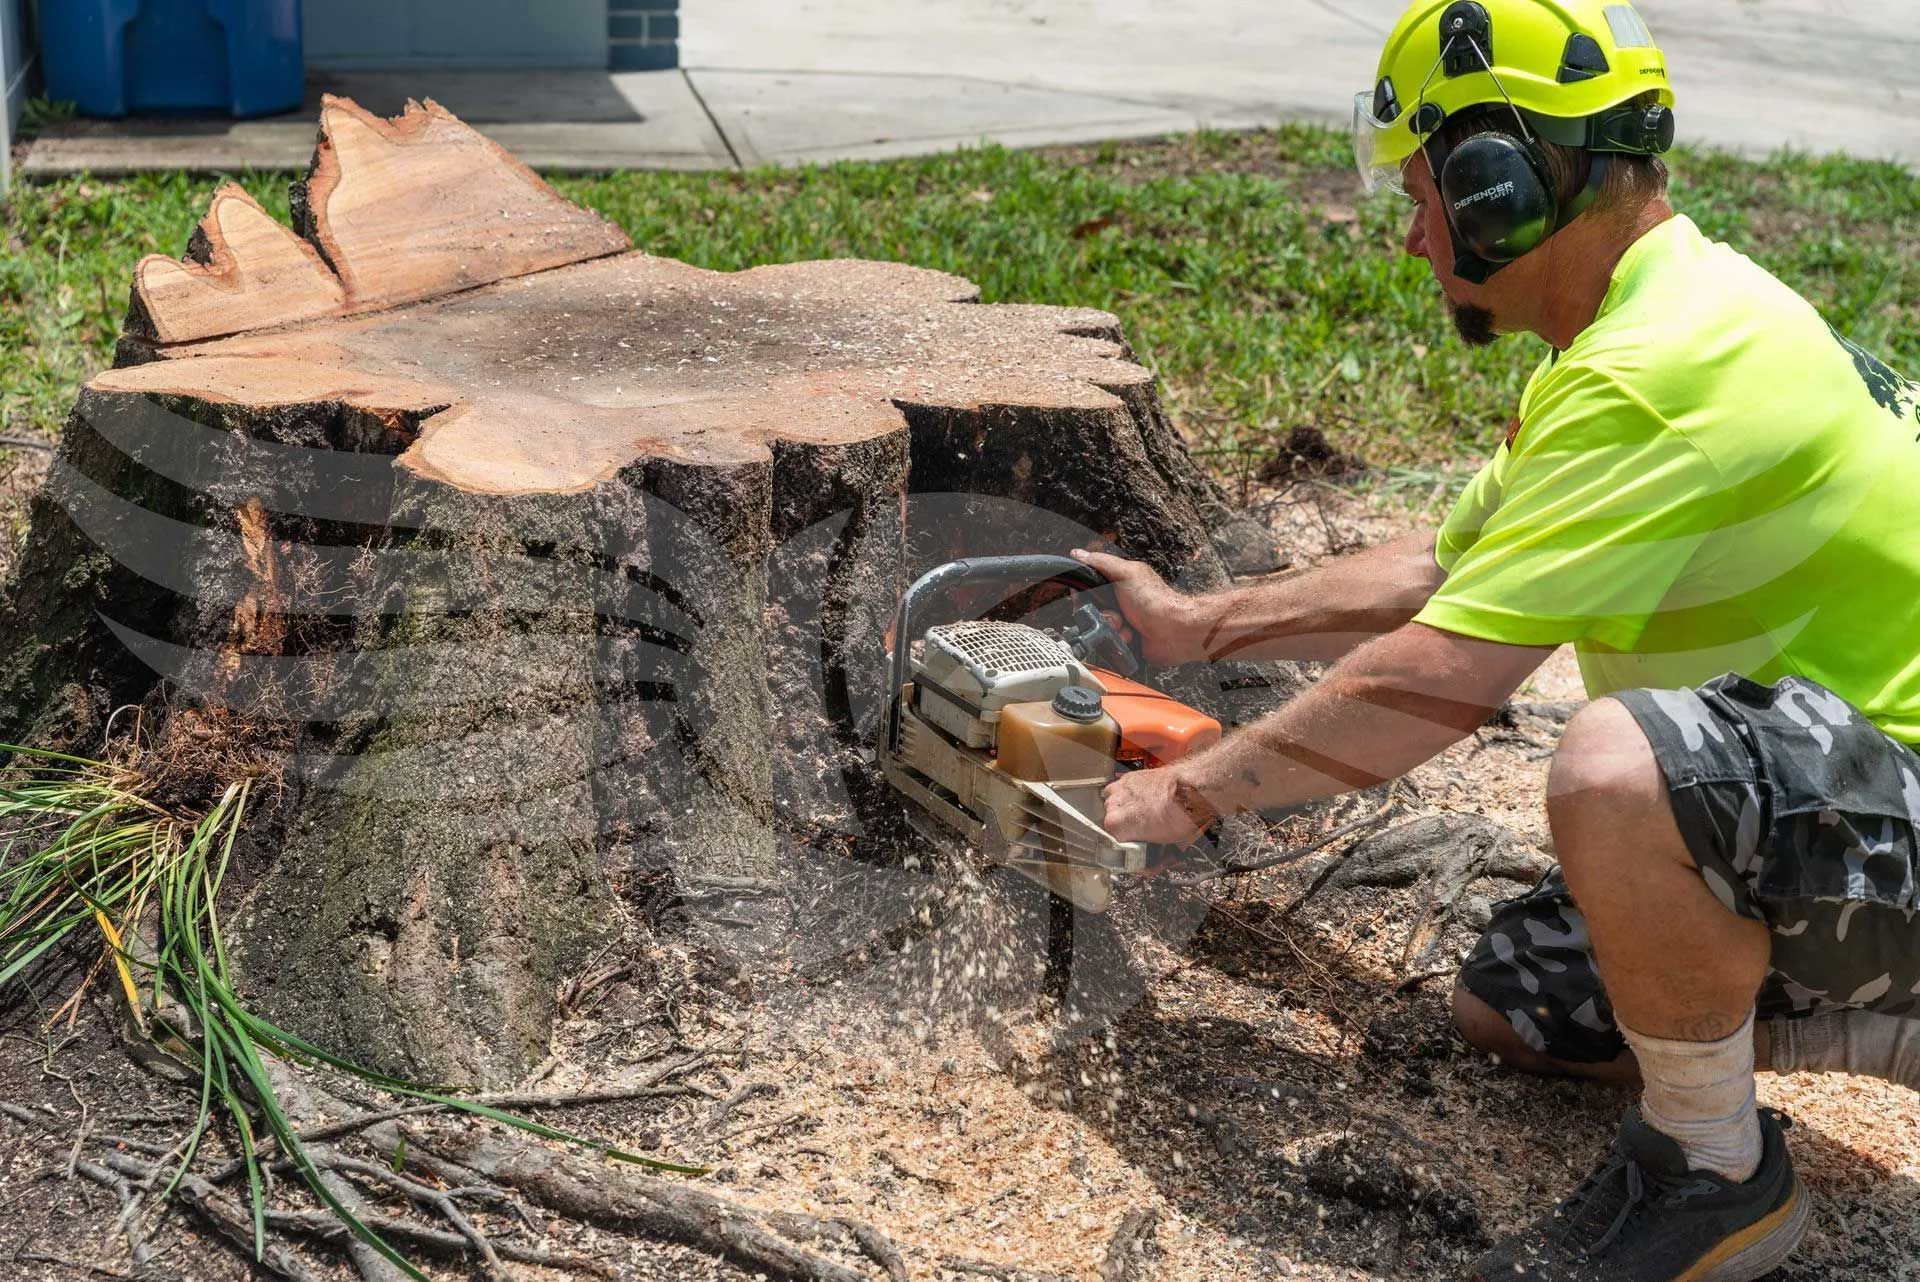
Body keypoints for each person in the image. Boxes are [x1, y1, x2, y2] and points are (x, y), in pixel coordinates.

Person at [1081, 2, 1920, 1278]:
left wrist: (1188, 792)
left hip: (1896, 805)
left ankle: (1713, 1170)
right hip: (1857, 808)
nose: (1415, 236)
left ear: (1503, 182)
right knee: (1515, 999)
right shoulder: (1642, 327)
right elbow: (1446, 566)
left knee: (1617, 768)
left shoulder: (1657, 368)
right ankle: (1887, 1025)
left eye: (1423, 192)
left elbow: (1438, 686)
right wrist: (1200, 623)